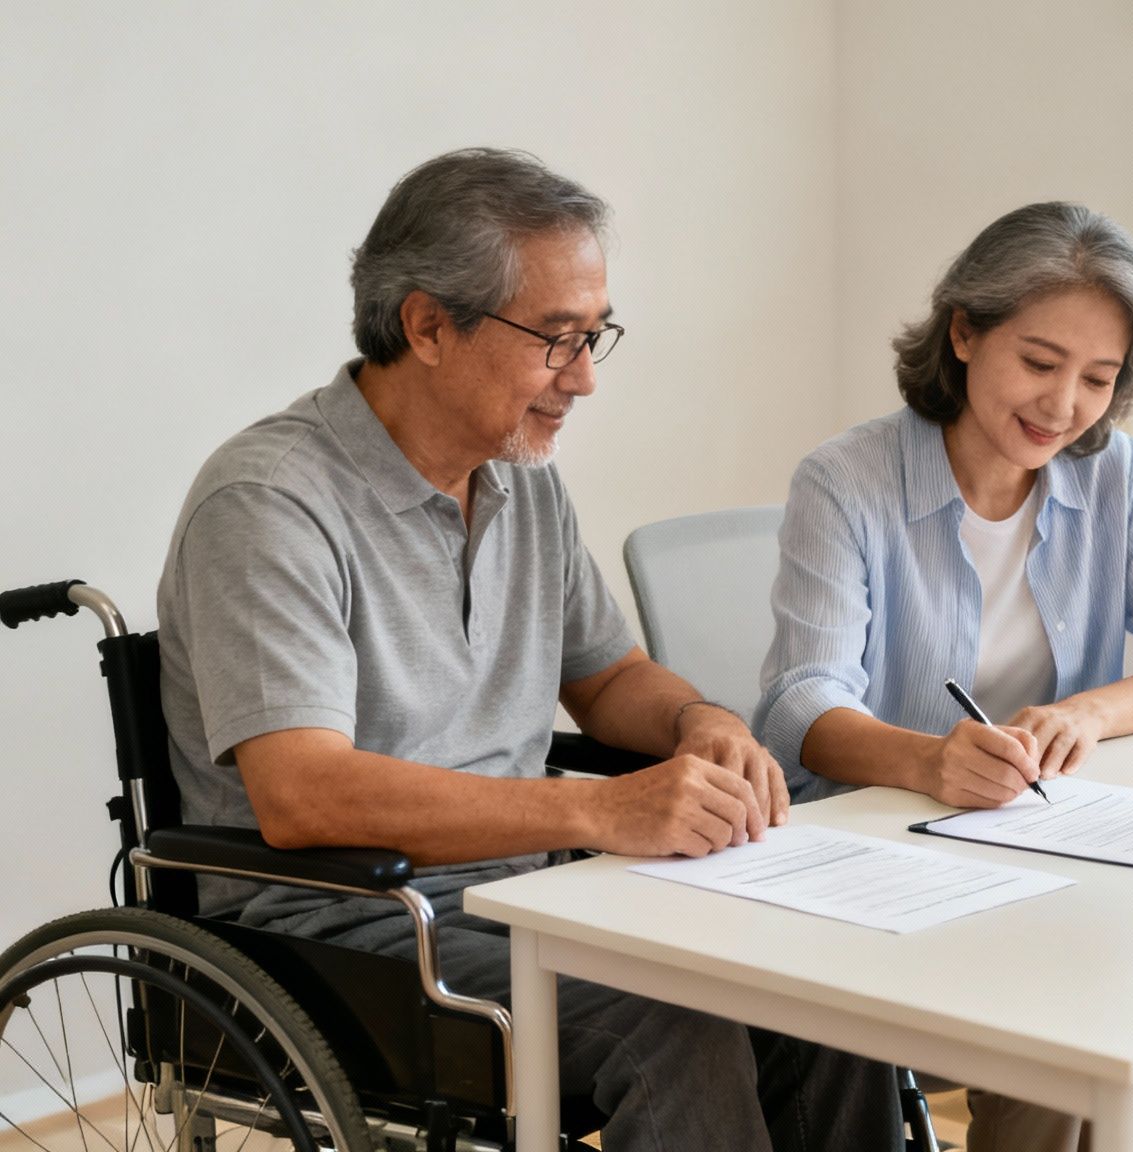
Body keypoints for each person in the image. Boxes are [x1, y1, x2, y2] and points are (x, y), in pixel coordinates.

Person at [157, 147, 898, 1150]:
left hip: (529, 892)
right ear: (426, 325)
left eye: (596, 338)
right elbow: (304, 797)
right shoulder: (271, 502)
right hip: (345, 931)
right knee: (675, 1023)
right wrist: (597, 809)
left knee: (820, 979)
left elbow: (609, 678)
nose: (586, 378)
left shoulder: (522, 479)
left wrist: (699, 722)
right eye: (556, 341)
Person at [755, 201, 1133, 1150]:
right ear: (965, 331)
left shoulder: (1115, 477)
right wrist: (926, 762)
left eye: (1098, 378)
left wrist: (1092, 714)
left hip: (1050, 852)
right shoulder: (846, 481)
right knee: (1069, 1019)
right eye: (1039, 362)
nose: (1063, 405)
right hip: (880, 864)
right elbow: (798, 702)